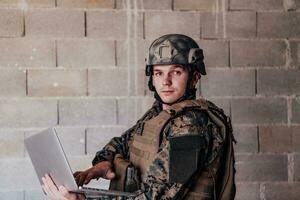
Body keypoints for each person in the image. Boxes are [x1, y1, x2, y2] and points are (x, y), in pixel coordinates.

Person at [42, 34, 236, 200]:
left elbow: (156, 196)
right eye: (159, 73)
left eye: (176, 72)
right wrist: (102, 164)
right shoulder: (160, 113)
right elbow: (122, 143)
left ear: (194, 77)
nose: (166, 81)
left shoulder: (192, 126)